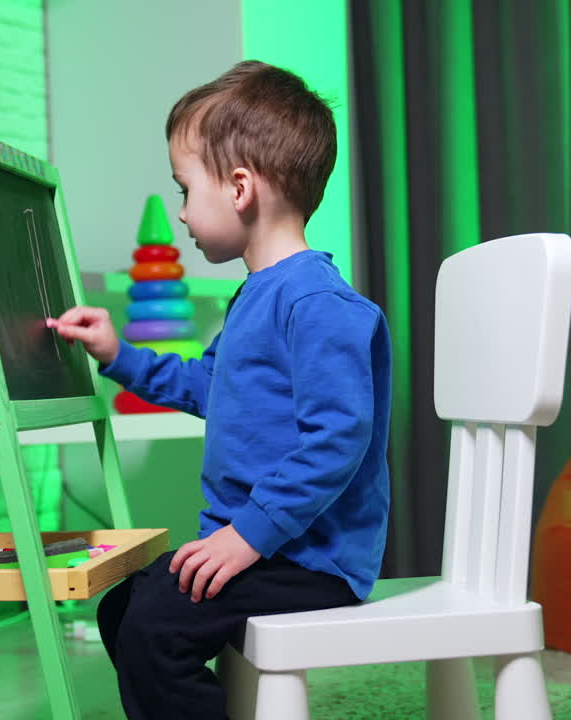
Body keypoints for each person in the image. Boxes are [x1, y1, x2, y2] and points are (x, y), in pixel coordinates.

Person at [48, 60, 392, 720]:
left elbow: (339, 439)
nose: (180, 214)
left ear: (239, 188)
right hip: (265, 546)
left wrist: (247, 537)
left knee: (153, 629)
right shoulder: (256, 297)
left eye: (185, 189)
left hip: (308, 559)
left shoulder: (318, 303)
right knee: (123, 608)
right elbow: (210, 386)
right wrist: (118, 355)